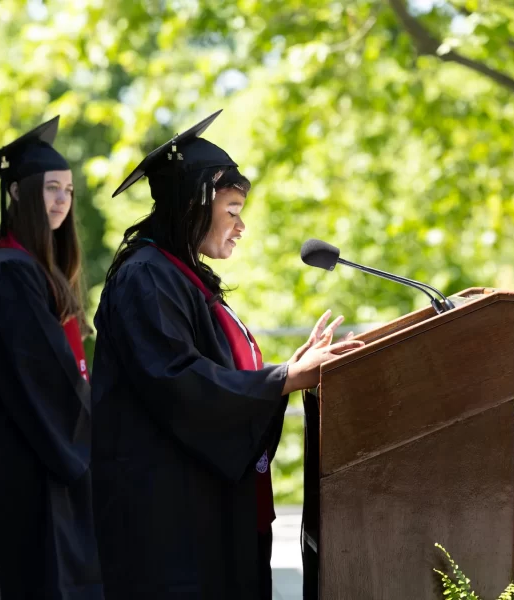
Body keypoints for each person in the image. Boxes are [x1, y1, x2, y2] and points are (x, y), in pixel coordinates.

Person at [90, 110, 364, 600]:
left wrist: (286, 372)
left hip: (197, 511)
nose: (241, 226)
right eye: (232, 209)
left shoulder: (178, 274)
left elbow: (210, 375)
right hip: (167, 522)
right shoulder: (146, 277)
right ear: (193, 204)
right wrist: (282, 379)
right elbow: (178, 381)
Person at [0, 116, 102, 599]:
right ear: (19, 193)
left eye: (67, 189)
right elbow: (46, 384)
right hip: (31, 472)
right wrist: (99, 435)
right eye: (50, 188)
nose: (62, 200)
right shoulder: (10, 275)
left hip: (47, 464)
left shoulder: (37, 271)